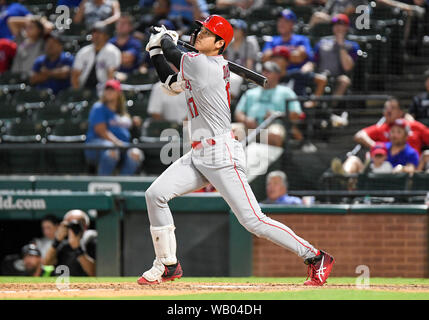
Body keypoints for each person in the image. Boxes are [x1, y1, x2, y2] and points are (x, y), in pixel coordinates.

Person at [139, 15, 334, 286]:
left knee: (253, 220)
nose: (199, 34)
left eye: (206, 33)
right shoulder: (198, 65)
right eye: (200, 30)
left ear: (220, 43)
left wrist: (166, 40)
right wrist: (156, 50)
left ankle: (315, 256)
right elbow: (169, 79)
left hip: (221, 154)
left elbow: (175, 52)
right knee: (155, 194)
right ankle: (168, 264)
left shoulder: (204, 65)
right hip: (199, 153)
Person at [234, 61, 305, 146]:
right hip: (250, 127)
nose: (264, 74)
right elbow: (238, 113)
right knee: (231, 131)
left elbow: (296, 114)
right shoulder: (250, 93)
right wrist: (246, 120)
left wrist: (276, 115)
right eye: (263, 71)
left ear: (277, 75)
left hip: (273, 126)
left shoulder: (287, 92)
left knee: (274, 134)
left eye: (268, 72)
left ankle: (267, 159)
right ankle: (234, 158)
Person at [85, 79, 144, 175]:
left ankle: (122, 185)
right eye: (107, 89)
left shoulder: (123, 112)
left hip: (121, 147)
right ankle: (102, 185)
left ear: (118, 93)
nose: (108, 91)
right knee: (112, 151)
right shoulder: (99, 107)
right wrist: (117, 143)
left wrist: (134, 122)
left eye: (112, 89)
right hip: (98, 145)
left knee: (135, 154)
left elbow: (123, 126)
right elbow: (101, 131)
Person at [334, 119, 419, 175]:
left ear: (406, 135)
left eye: (399, 132)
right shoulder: (382, 146)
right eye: (392, 131)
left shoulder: (412, 153)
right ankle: (344, 175)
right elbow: (370, 163)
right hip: (373, 180)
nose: (394, 135)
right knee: (353, 159)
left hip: (395, 184)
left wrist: (402, 169)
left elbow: (411, 170)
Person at [354, 97, 429, 154]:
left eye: (392, 108)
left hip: (412, 168)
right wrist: (376, 146)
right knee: (353, 160)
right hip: (387, 168)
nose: (388, 110)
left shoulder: (414, 125)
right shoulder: (381, 128)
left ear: (400, 112)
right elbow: (359, 135)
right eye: (386, 108)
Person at [310, 14, 360, 99]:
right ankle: (314, 105)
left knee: (344, 80)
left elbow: (347, 67)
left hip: (338, 77)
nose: (338, 27)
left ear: (347, 27)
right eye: (335, 24)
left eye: (341, 24)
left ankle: (331, 107)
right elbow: (313, 62)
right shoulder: (321, 43)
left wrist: (341, 44)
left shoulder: (352, 46)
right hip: (321, 75)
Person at [71, 22, 121, 95]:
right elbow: (75, 75)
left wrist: (106, 95)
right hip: (84, 89)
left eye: (99, 32)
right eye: (94, 32)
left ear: (106, 36)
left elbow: (111, 75)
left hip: (104, 90)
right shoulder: (84, 52)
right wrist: (77, 93)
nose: (96, 35)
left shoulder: (113, 52)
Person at [44, 210, 97, 277]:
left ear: (85, 227)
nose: (72, 228)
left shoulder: (92, 241)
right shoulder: (62, 244)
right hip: (63, 284)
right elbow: (47, 264)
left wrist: (78, 248)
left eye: (76, 225)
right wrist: (57, 241)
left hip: (85, 285)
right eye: (69, 224)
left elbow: (94, 272)